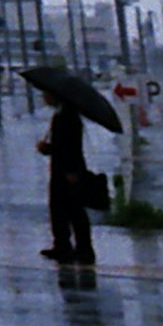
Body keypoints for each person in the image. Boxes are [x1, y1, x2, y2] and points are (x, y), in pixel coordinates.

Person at [39, 105, 101, 263]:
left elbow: (67, 146)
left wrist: (47, 149)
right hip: (63, 169)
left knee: (73, 210)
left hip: (67, 170)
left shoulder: (67, 118)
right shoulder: (64, 116)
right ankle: (64, 245)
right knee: (61, 210)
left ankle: (80, 248)